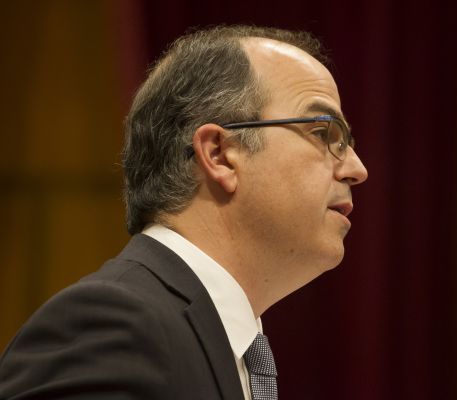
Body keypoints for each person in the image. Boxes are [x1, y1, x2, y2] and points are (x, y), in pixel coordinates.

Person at [0, 25, 368, 400]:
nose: (357, 168)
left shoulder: (222, 342)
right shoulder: (112, 326)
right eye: (324, 134)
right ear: (219, 154)